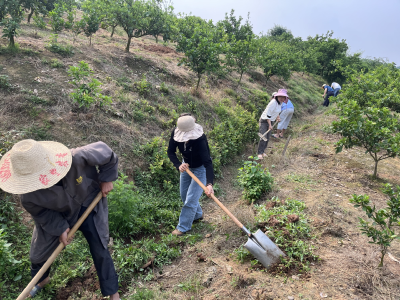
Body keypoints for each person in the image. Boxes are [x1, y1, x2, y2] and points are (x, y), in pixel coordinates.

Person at [0, 140, 120, 299]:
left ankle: (113, 293)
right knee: (38, 254)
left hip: (89, 202)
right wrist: (60, 228)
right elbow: (42, 214)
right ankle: (41, 280)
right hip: (60, 213)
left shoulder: (74, 158)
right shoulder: (28, 196)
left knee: (99, 246)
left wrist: (107, 178)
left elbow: (107, 153)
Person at [167, 114, 214, 236]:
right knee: (184, 195)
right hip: (186, 166)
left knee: (191, 199)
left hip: (201, 169)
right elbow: (170, 151)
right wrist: (178, 164)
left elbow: (208, 163)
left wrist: (209, 184)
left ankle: (183, 227)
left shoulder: (200, 139)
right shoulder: (176, 133)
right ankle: (197, 215)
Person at [257, 89, 288, 159]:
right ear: (277, 96)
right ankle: (259, 153)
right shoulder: (273, 102)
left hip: (271, 121)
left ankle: (263, 151)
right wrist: (270, 125)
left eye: (283, 97)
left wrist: (278, 117)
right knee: (263, 137)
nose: (282, 98)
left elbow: (276, 111)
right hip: (264, 120)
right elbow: (268, 114)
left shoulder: (280, 103)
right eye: (281, 96)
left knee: (267, 138)